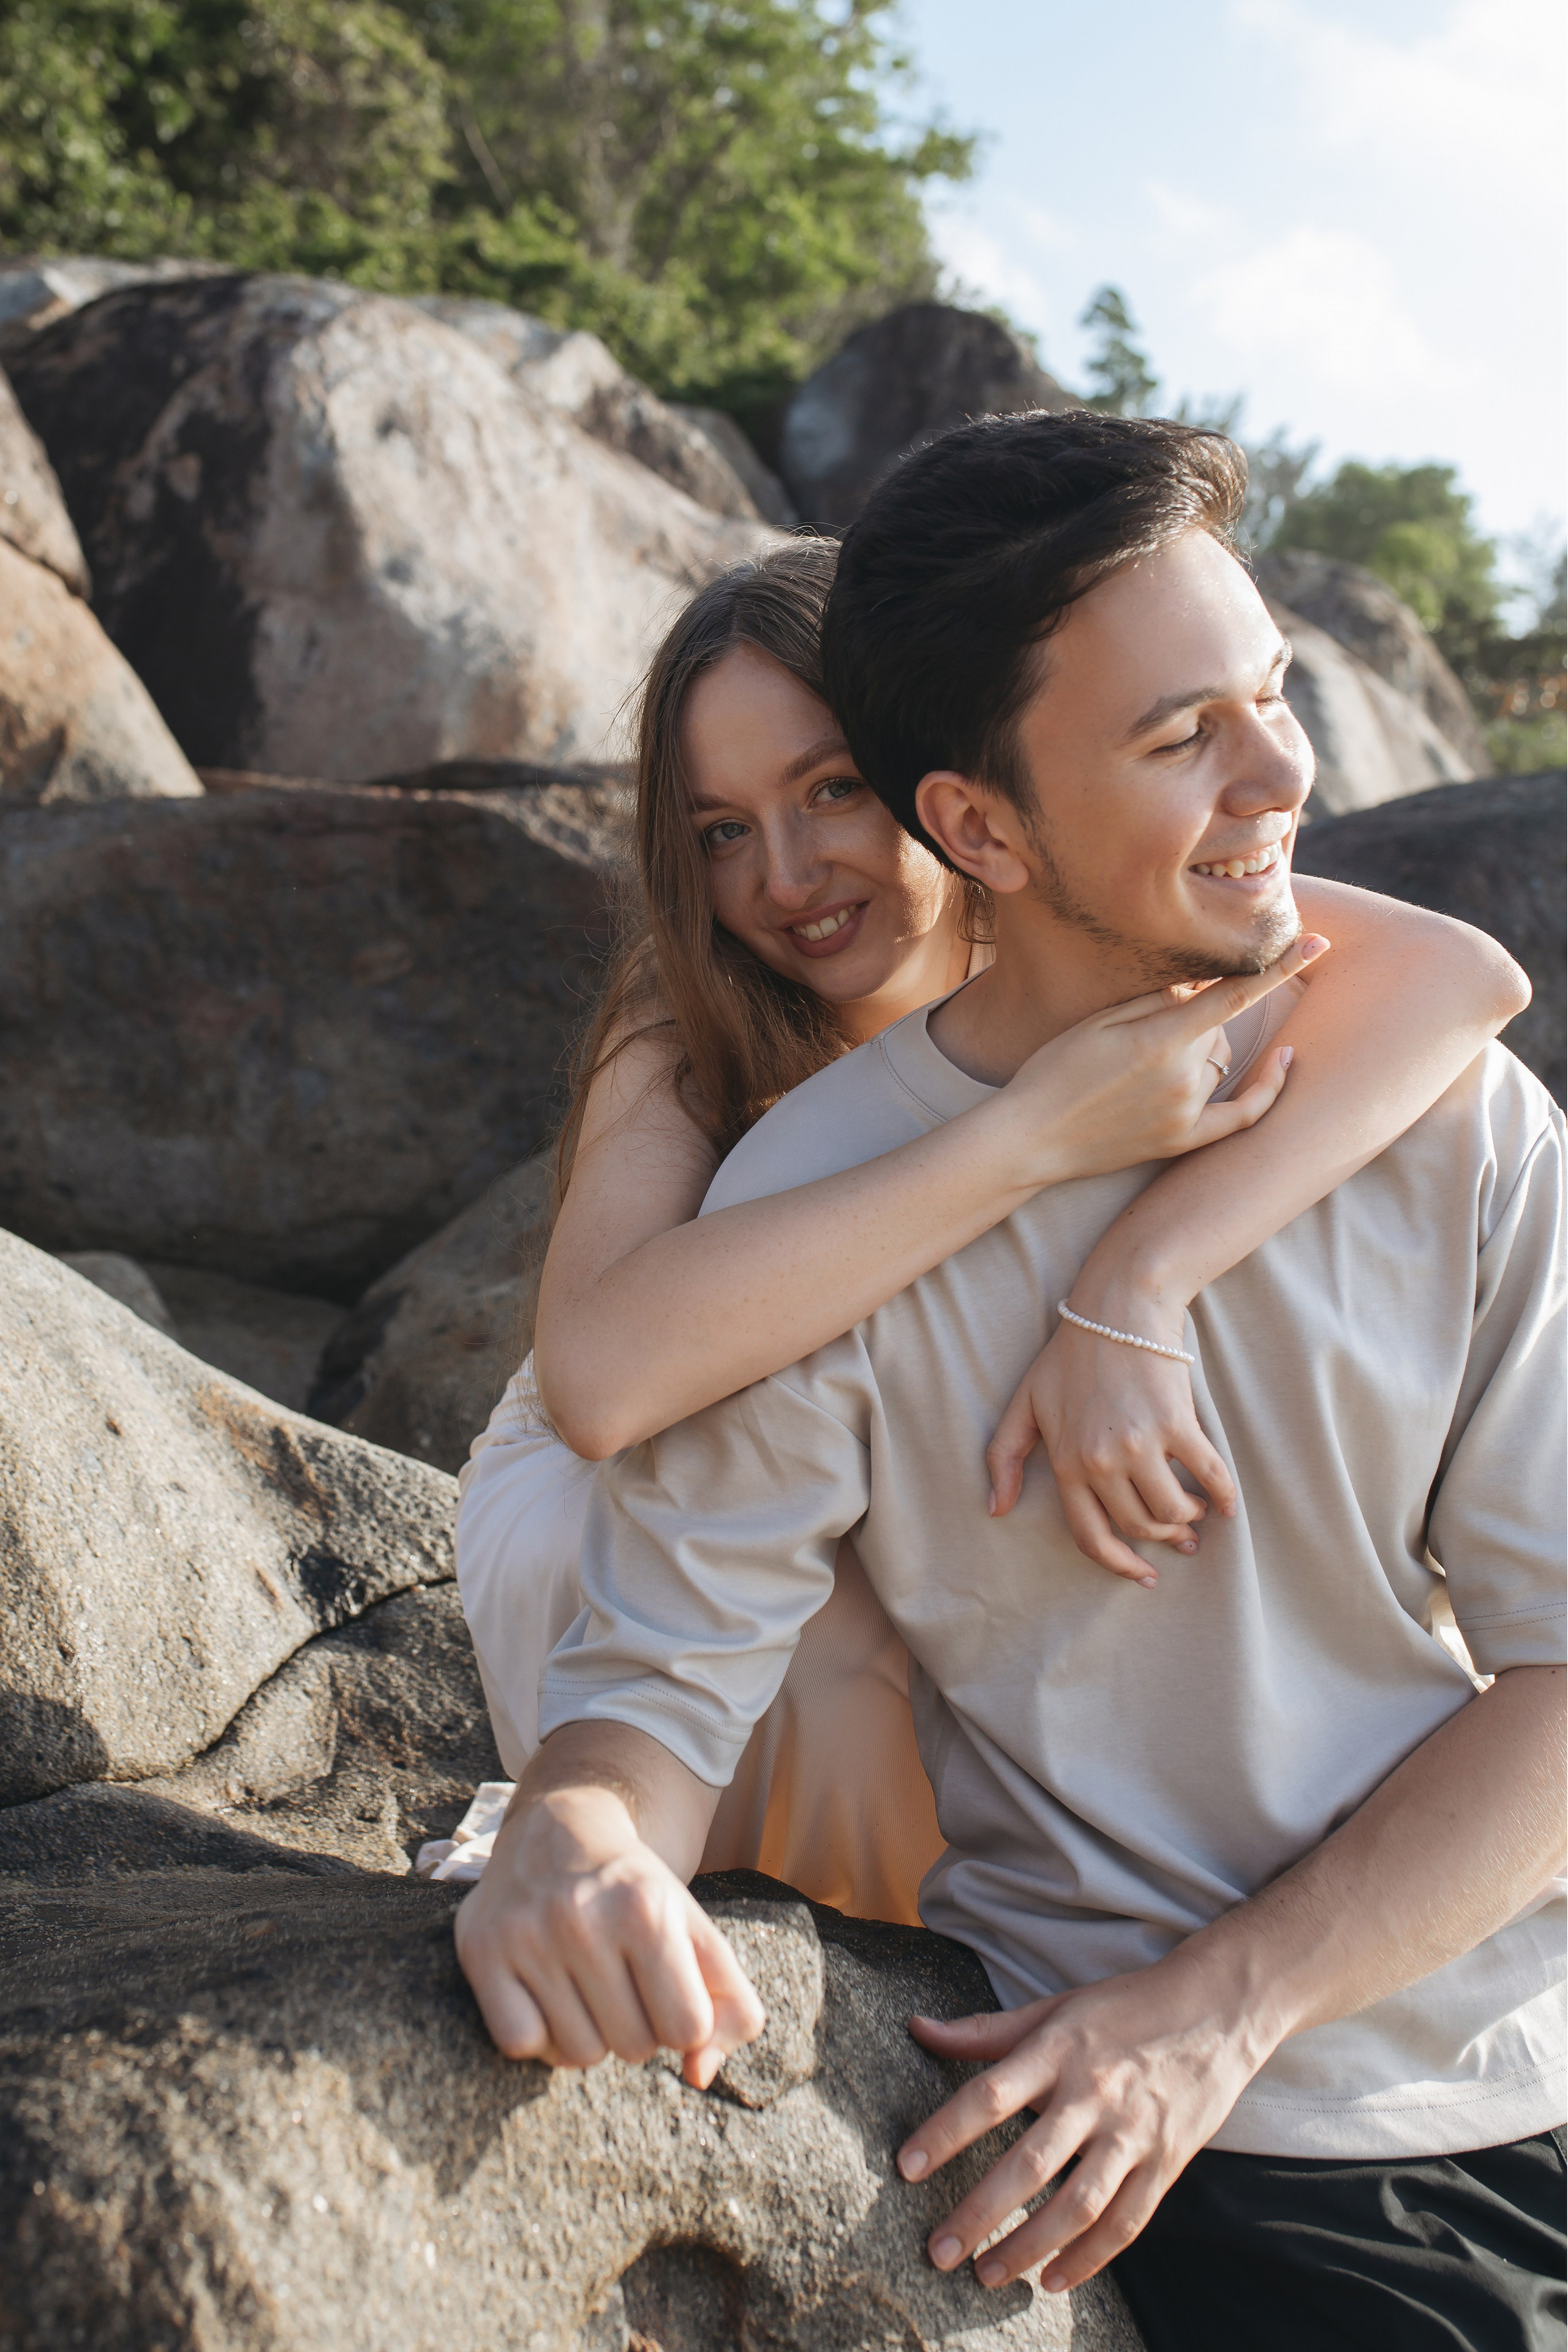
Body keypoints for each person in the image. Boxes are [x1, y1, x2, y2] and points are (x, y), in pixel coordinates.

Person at [455, 414, 1566, 2349]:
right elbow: (653, 1626)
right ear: (982, 823)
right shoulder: (783, 1173)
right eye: (1183, 735)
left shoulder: (1443, 1109)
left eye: (1274, 697)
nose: (1284, 776)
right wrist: (574, 1831)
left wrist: (1130, 1278)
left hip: (1479, 2005)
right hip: (1231, 2140)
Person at [454, 539, 1525, 1925]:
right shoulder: (686, 1023)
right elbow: (601, 1387)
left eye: (830, 790)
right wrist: (1029, 1137)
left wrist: (1140, 1276)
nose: (786, 876)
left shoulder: (1067, 899)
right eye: (722, 832)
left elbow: (1453, 975)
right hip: (623, 1513)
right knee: (870, 1587)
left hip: (890, 1456)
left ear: (948, 784)